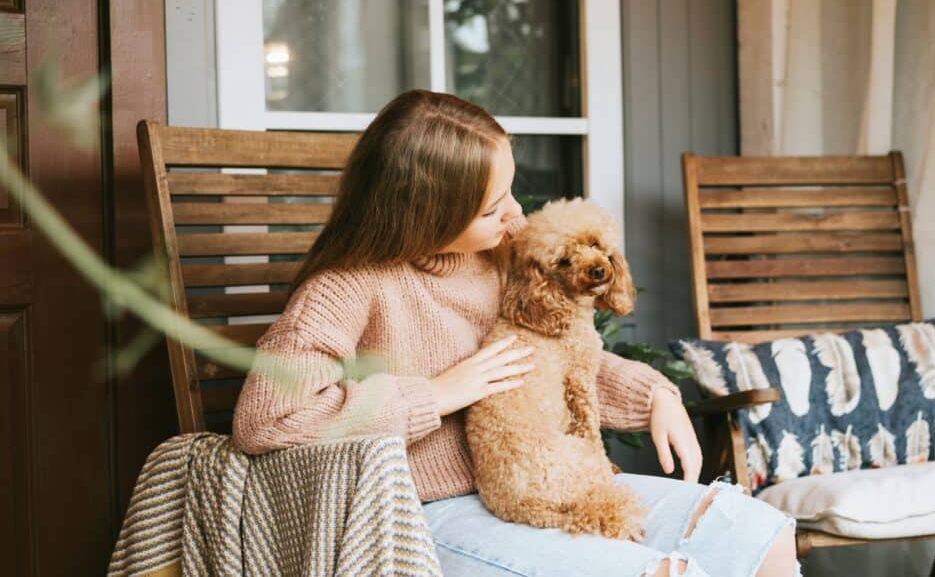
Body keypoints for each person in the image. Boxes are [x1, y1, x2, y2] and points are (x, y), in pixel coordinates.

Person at [232, 89, 800, 576]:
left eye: (510, 192)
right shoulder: (347, 289)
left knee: (759, 532)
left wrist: (652, 393)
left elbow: (550, 355)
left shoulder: (504, 252)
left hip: (544, 481)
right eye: (490, 208)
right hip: (422, 512)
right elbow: (267, 421)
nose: (513, 216)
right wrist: (436, 394)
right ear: (424, 213)